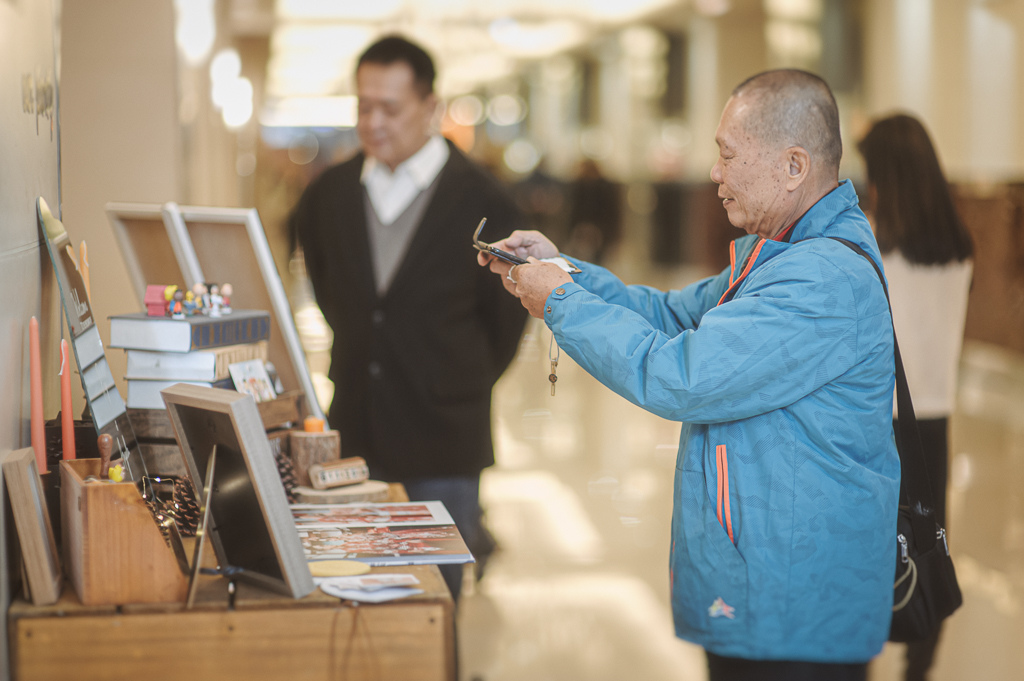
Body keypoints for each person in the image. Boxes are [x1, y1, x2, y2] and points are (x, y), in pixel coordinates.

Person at [479, 70, 900, 681]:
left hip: (793, 607)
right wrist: (562, 270)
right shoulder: (781, 252)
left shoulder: (820, 278)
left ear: (793, 166)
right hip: (767, 585)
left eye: (728, 155)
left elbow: (682, 376)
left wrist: (561, 303)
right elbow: (672, 315)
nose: (714, 173)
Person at [290, 35, 528, 601]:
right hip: (354, 429)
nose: (373, 123)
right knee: (354, 592)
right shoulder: (329, 195)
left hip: (443, 436)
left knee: (433, 601)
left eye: (390, 108)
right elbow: (330, 293)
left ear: (430, 107)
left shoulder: (485, 201)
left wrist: (453, 380)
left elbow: (506, 323)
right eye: (363, 107)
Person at [858, 114, 974, 681]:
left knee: (864, 554)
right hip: (934, 421)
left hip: (877, 419)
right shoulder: (958, 247)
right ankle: (918, 671)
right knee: (928, 549)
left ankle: (853, 663)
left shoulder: (872, 246)